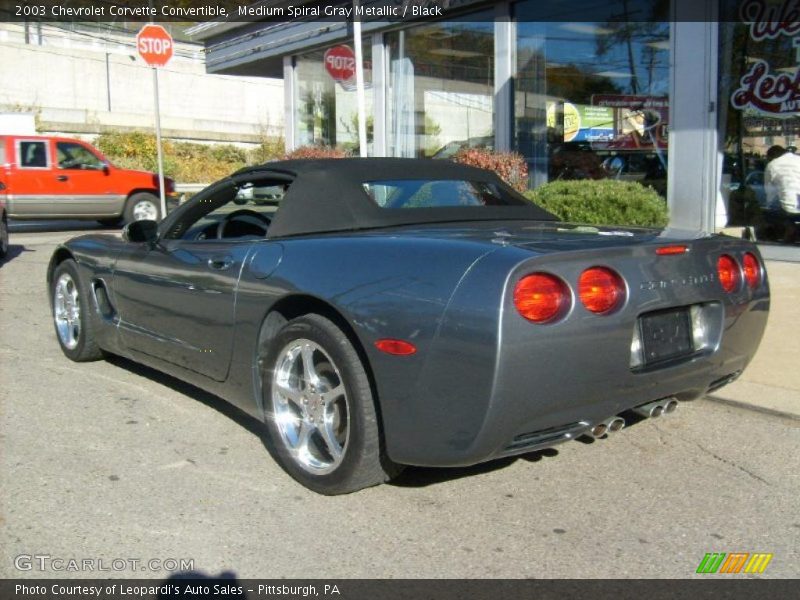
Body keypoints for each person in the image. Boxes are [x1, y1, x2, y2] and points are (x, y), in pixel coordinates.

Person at [763, 145, 800, 242]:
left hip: (788, 209)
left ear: (772, 156)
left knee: (769, 212)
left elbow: (769, 193)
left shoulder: (771, 165)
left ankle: (789, 228)